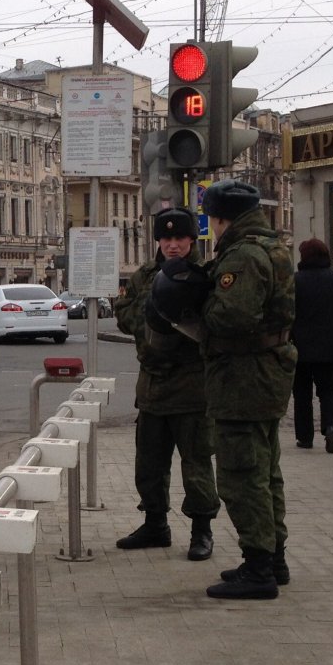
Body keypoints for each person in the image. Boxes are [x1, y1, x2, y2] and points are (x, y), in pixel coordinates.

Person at [154, 180, 295, 600]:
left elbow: (232, 316)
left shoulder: (244, 255)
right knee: (266, 470)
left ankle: (259, 569)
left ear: (218, 217)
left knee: (242, 474)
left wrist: (197, 305)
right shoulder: (270, 246)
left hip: (243, 375)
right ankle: (273, 558)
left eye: (209, 220)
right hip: (262, 373)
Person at [111, 207, 219, 562]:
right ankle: (155, 524)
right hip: (153, 385)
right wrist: (153, 308)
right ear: (158, 241)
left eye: (180, 239)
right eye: (166, 239)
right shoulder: (144, 276)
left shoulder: (205, 275)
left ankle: (202, 531)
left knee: (196, 462)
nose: (173, 245)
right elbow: (125, 317)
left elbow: (214, 325)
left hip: (191, 385)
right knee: (150, 462)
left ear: (192, 239)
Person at [291, 238, 333, 453]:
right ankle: (330, 427)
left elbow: (288, 314)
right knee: (329, 391)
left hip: (300, 349)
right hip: (331, 347)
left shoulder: (295, 281)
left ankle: (305, 436)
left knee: (302, 394)